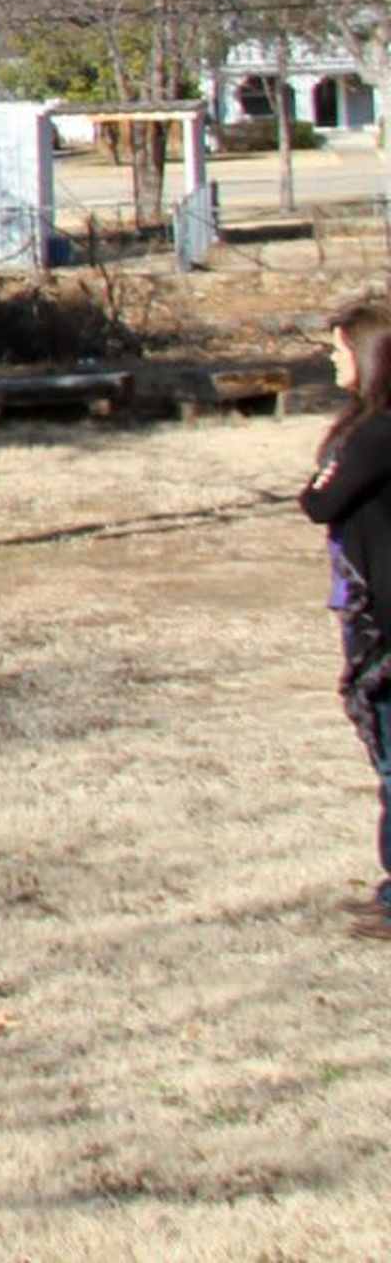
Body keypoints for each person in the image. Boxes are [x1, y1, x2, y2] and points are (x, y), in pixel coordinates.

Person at [300, 296, 391, 936]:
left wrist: (319, 483)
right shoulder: (370, 430)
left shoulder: (378, 435)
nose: (333, 360)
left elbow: (319, 500)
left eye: (339, 349)